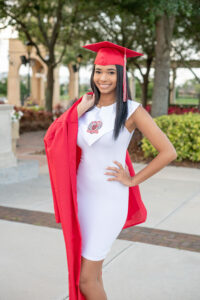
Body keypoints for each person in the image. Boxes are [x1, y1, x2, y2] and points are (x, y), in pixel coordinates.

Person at [75, 41, 177, 300]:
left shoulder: (132, 111)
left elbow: (168, 152)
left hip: (109, 201)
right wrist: (77, 112)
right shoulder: (86, 108)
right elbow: (56, 140)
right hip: (82, 198)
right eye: (99, 71)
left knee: (85, 280)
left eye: (111, 71)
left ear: (121, 76)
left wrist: (133, 180)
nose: (103, 78)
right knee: (92, 274)